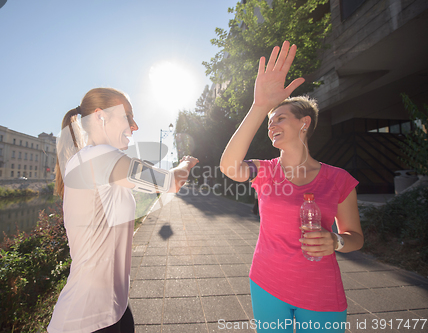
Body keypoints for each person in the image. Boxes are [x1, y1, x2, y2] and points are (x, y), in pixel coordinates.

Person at [220, 42, 364, 332]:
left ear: (304, 123)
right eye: (269, 123)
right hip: (267, 283)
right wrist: (260, 106)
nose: (272, 126)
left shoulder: (338, 179)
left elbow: (355, 238)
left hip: (321, 293)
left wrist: (335, 241)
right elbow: (228, 167)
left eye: (280, 118)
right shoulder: (265, 171)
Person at [48, 88, 198, 333]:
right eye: (128, 116)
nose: (135, 126)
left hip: (113, 308)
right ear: (100, 116)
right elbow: (170, 182)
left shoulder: (91, 158)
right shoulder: (98, 157)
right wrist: (186, 162)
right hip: (87, 319)